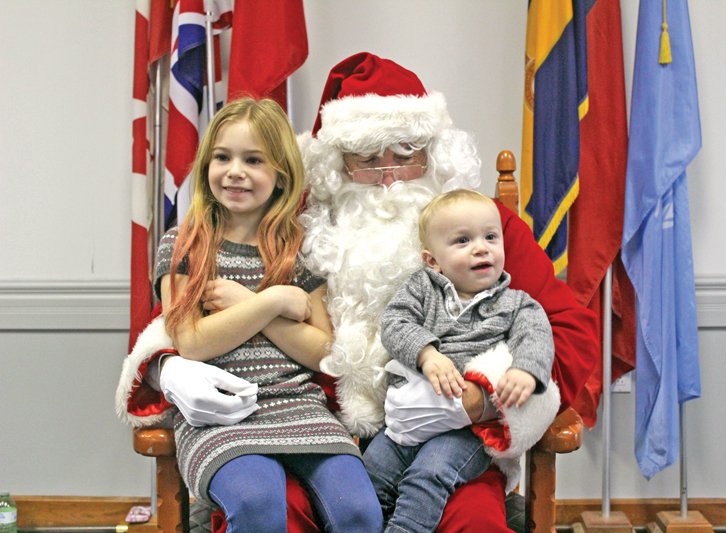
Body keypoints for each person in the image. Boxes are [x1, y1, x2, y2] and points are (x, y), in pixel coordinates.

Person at [117, 53, 598, 533]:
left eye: (407, 154)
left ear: (436, 153)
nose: (389, 175)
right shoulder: (299, 228)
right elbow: (180, 316)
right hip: (319, 433)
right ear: (336, 166)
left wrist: (481, 398)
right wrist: (167, 366)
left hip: (448, 439)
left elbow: (570, 332)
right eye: (367, 159)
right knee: (273, 512)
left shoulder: (483, 230)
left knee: (474, 525)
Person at [150, 97, 381, 533]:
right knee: (257, 504)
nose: (235, 170)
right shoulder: (184, 243)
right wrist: (272, 300)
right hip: (222, 416)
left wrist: (247, 302)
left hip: (301, 410)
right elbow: (192, 342)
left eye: (253, 160)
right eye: (223, 157)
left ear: (281, 176)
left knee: (358, 513)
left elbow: (324, 352)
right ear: (206, 166)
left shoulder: (301, 248)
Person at [363, 189, 559, 532]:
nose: (481, 247)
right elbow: (394, 324)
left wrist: (526, 371)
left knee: (428, 476)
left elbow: (537, 337)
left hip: (466, 431)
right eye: (463, 240)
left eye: (490, 237)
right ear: (432, 261)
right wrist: (427, 354)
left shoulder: (516, 304)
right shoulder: (421, 289)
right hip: (405, 419)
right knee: (370, 475)